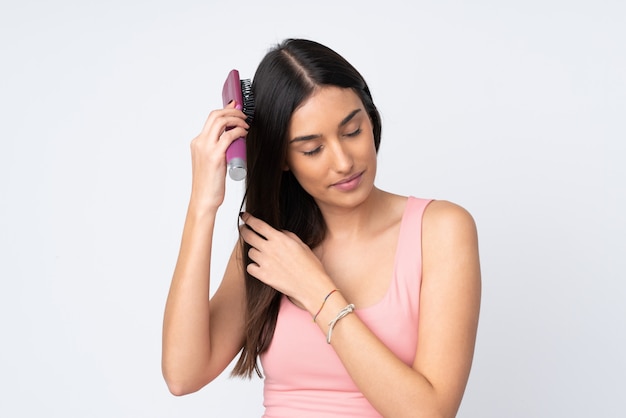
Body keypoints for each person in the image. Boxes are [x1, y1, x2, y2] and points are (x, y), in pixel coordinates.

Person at [162, 38, 481, 418]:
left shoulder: (441, 231)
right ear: (282, 158)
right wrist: (202, 207)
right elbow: (183, 376)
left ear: (370, 116)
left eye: (352, 131)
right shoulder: (271, 244)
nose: (344, 161)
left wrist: (316, 291)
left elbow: (429, 413)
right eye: (312, 149)